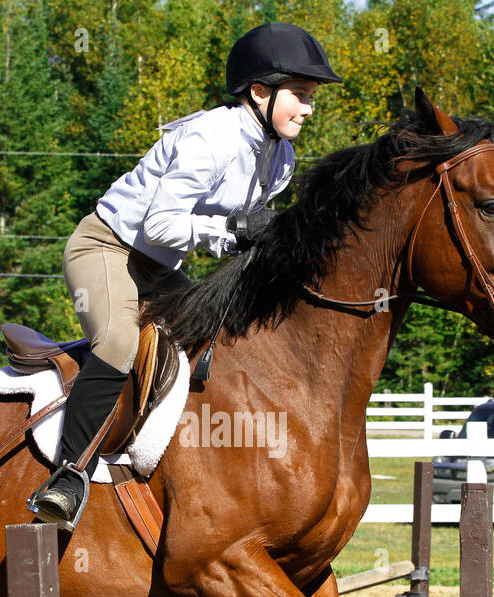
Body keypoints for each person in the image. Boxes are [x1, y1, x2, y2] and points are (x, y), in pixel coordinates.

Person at [28, 22, 342, 531]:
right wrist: (235, 231)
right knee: (116, 343)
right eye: (301, 96)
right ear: (260, 92)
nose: (309, 108)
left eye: (310, 98)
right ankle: (68, 475)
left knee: (226, 340)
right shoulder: (211, 138)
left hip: (159, 267)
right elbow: (160, 224)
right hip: (107, 248)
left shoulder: (279, 157)